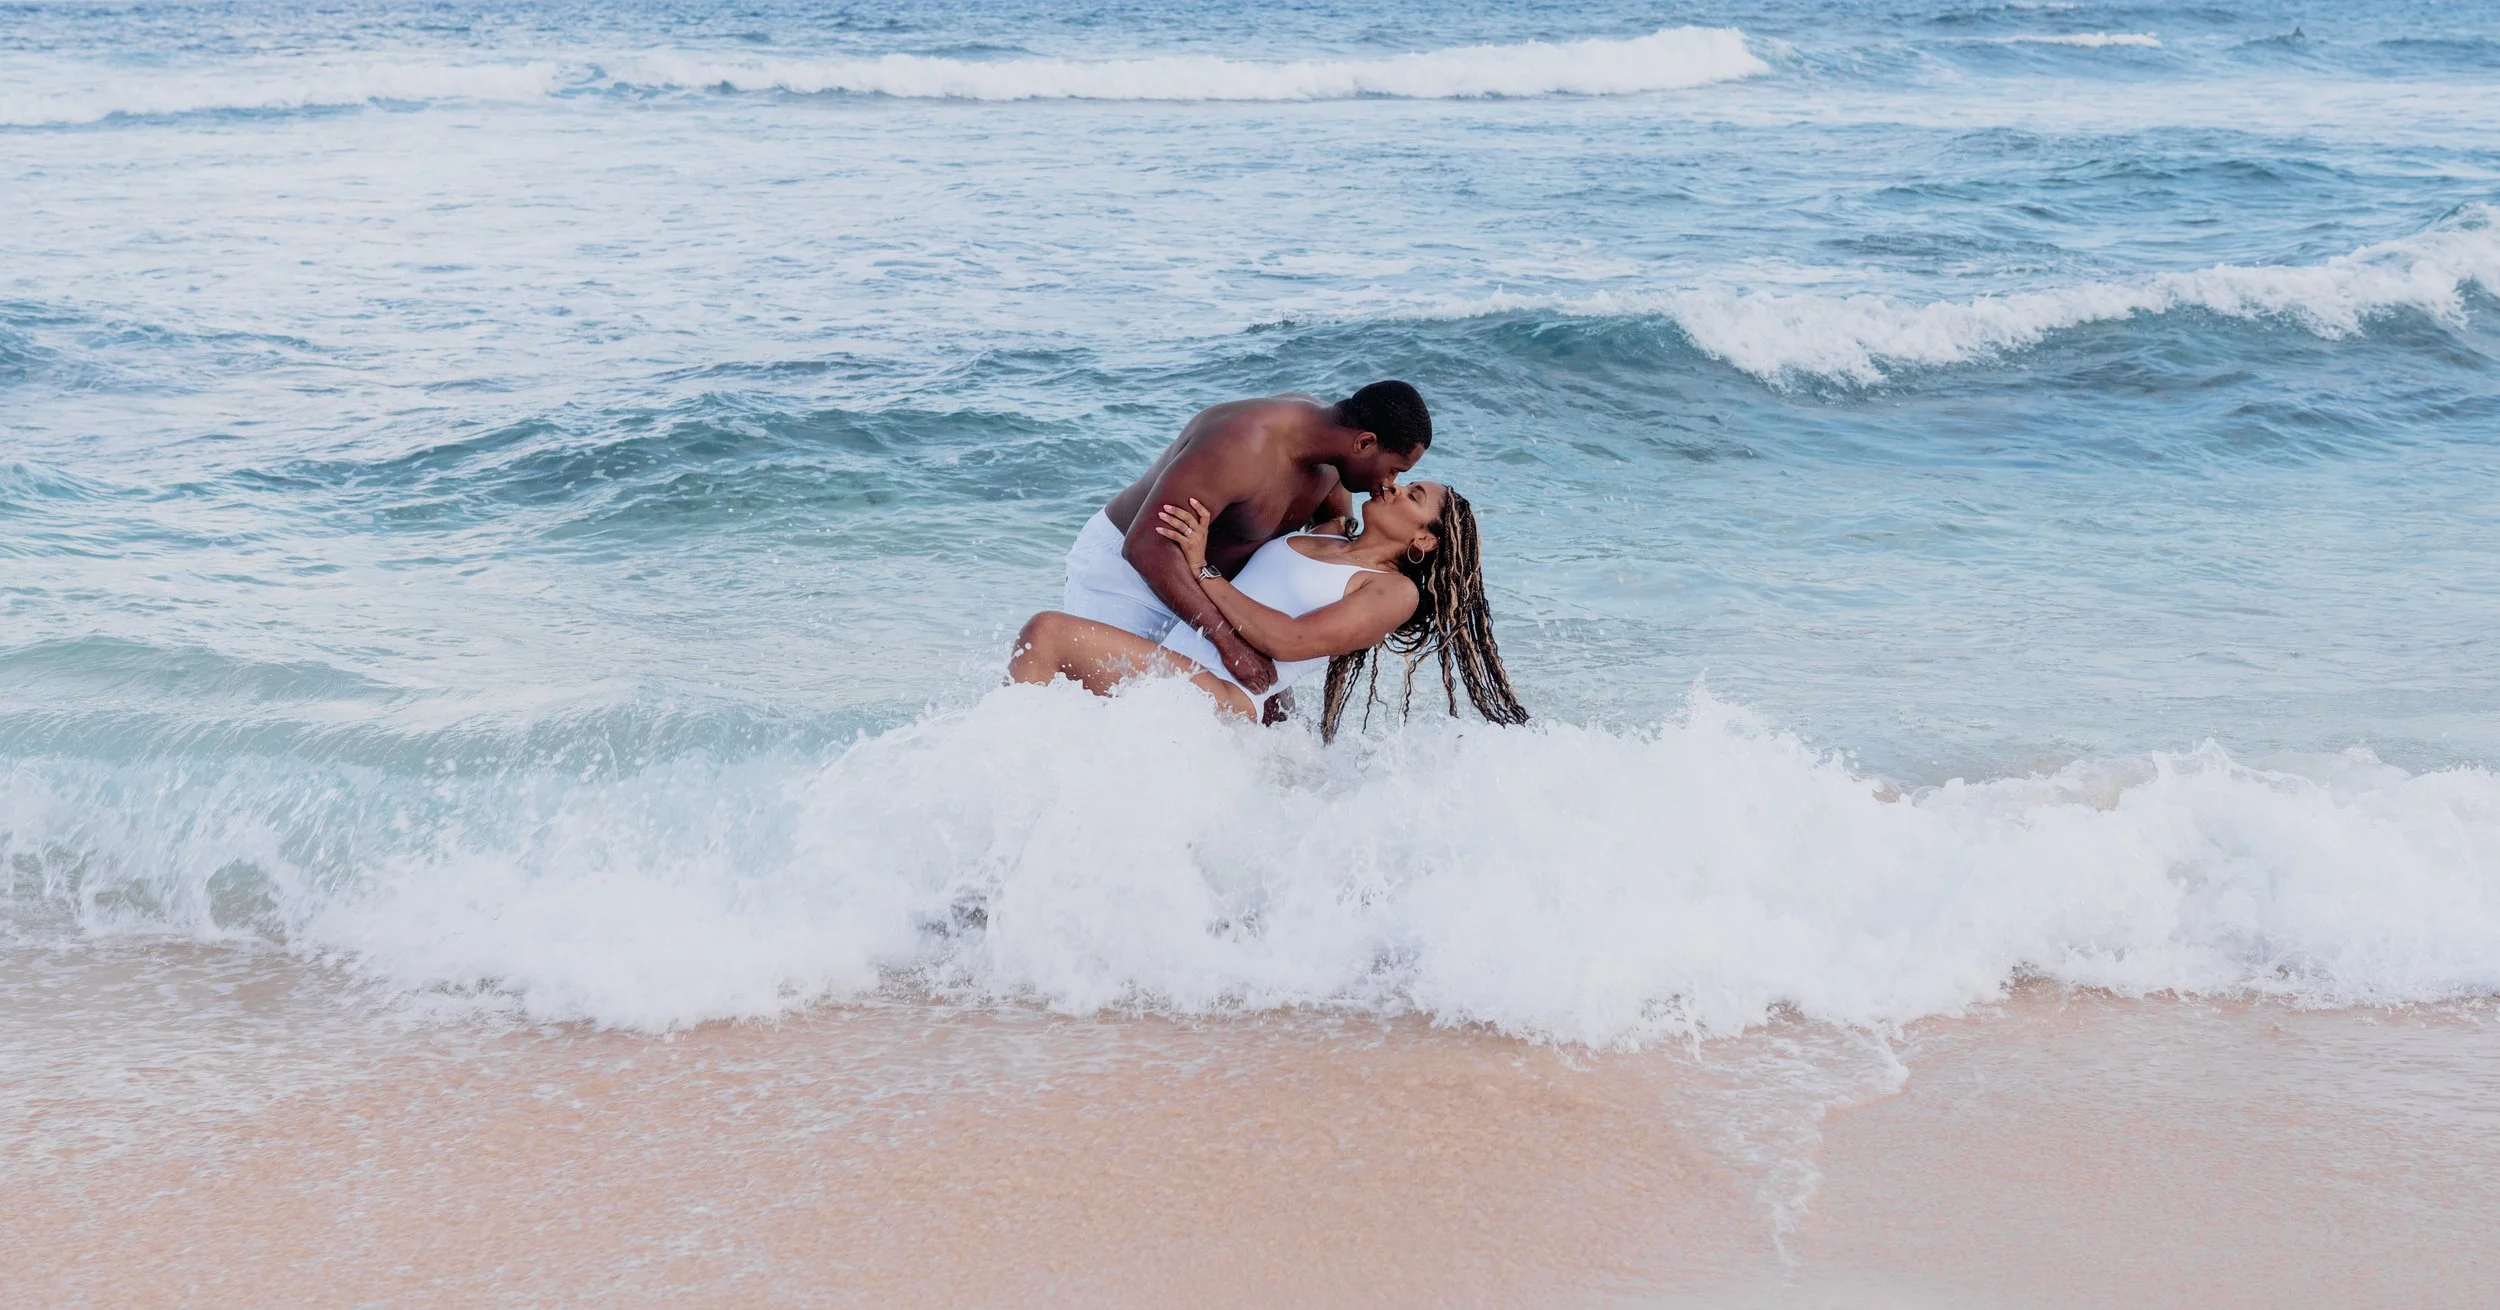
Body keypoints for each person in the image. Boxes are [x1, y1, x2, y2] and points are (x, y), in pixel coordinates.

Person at [1010, 481, 1529, 741]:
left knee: (1047, 634)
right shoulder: (1331, 535)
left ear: (1424, 539)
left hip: (1223, 695)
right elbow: (1335, 468)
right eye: (1400, 479)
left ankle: (1001, 773)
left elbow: (1290, 641)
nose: (1391, 487)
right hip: (1180, 671)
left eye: (1411, 494)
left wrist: (1202, 568)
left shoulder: (1392, 592)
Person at [1060, 381, 1434, 698]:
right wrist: (1229, 643)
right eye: (1394, 470)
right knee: (1107, 711)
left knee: (1268, 727)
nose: (1388, 484)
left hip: (1209, 596)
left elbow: (1337, 530)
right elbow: (1147, 546)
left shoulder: (1333, 462)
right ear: (1365, 443)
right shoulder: (1242, 442)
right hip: (1131, 579)